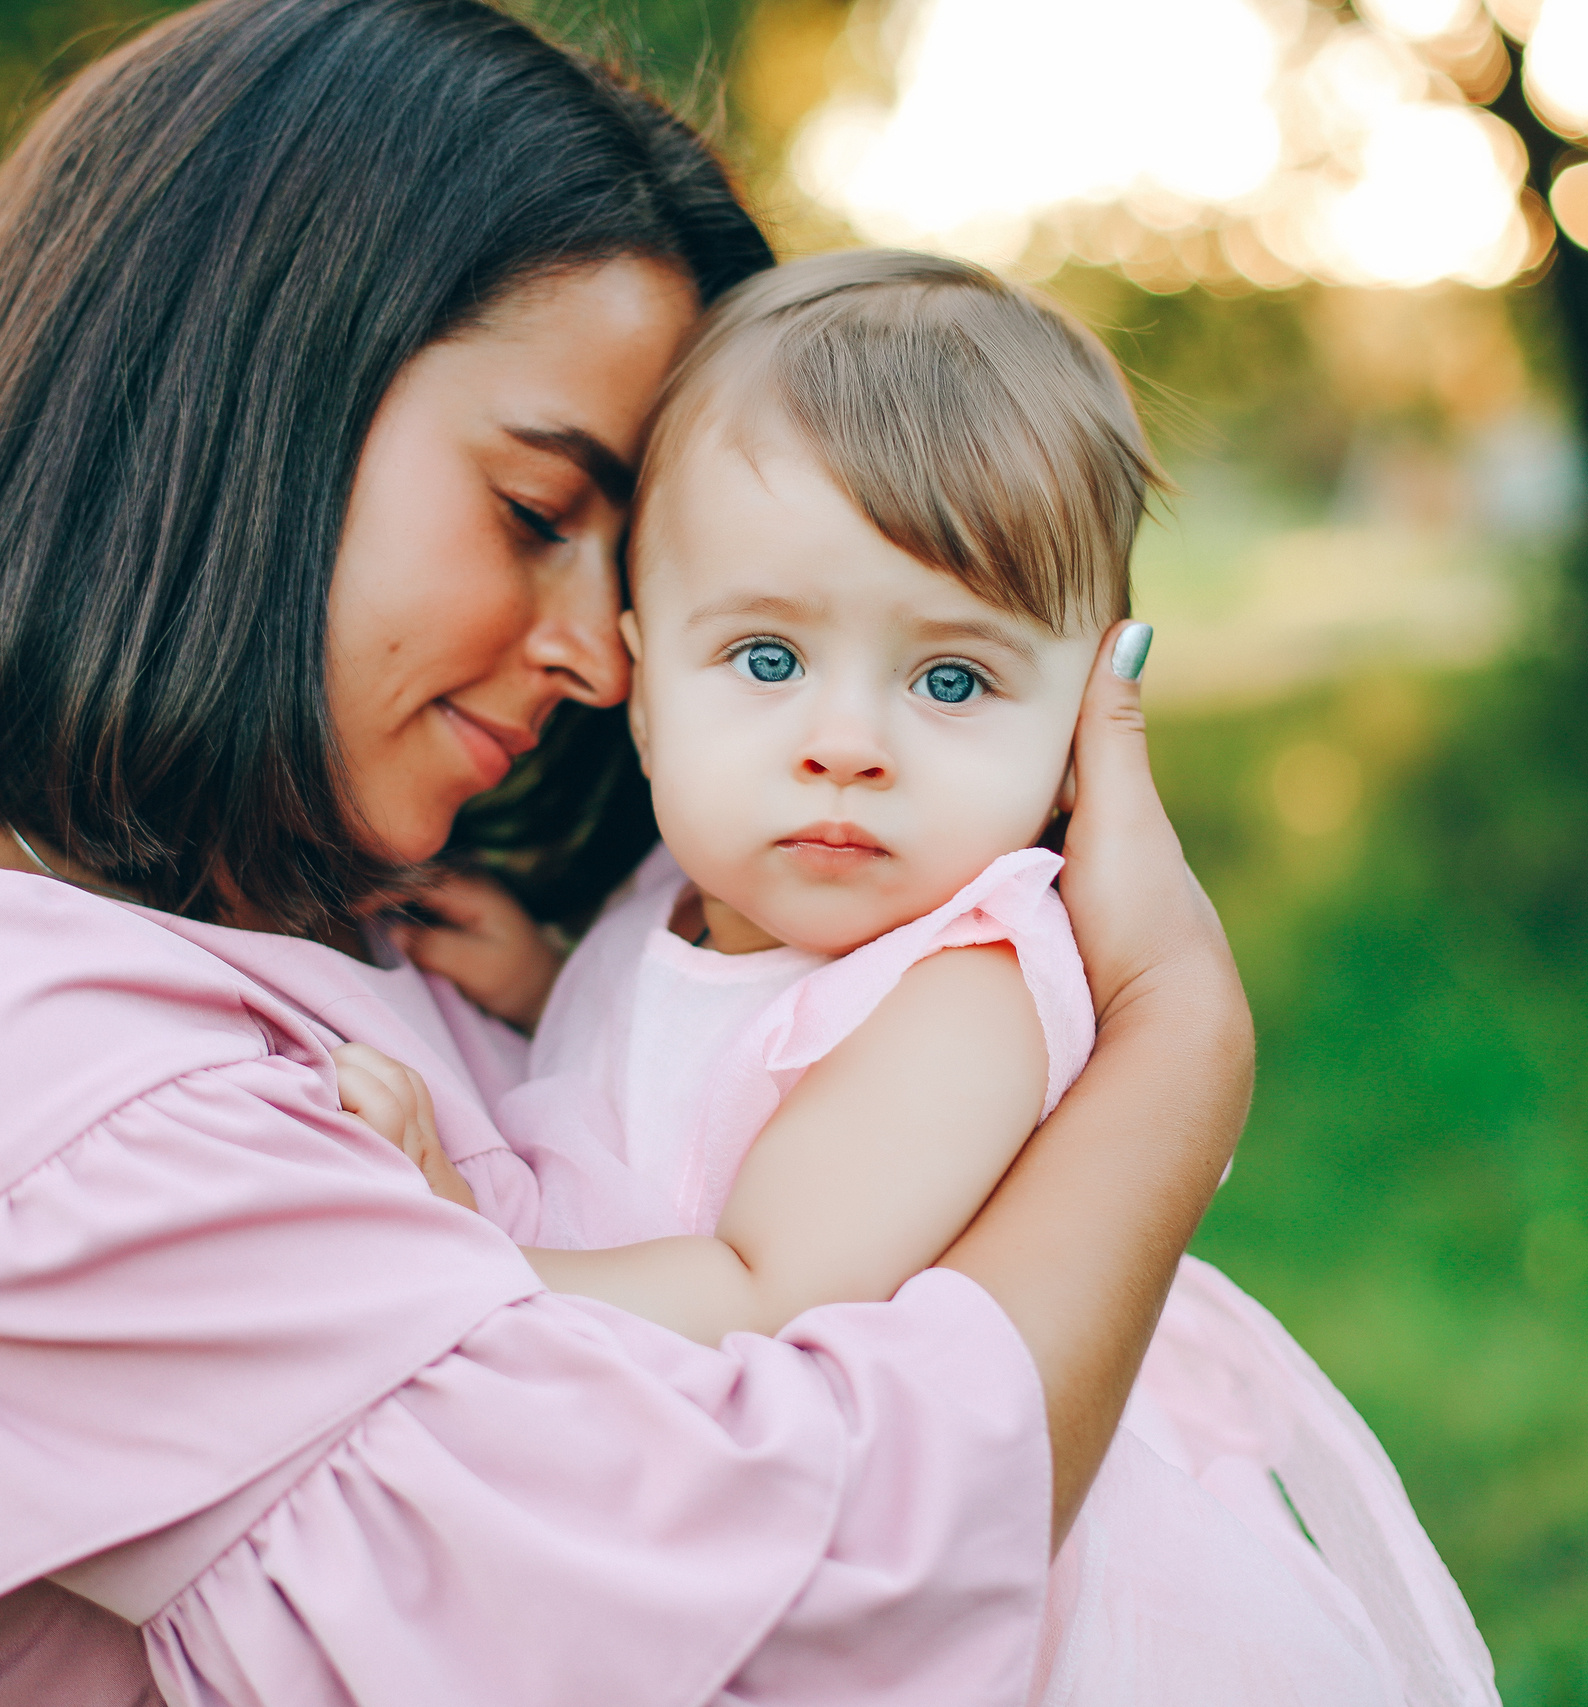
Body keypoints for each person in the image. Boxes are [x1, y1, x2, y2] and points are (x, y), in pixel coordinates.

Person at [0, 4, 1252, 1704]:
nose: (608, 660)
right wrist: (1173, 1038)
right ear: (235, 403)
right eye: (539, 515)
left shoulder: (271, 913)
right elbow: (800, 1597)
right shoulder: (16, 1091)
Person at [350, 251, 1501, 1707]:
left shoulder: (962, 993)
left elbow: (764, 1281)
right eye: (765, 657)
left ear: (1082, 723)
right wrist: (548, 986)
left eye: (951, 681)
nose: (846, 740)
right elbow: (680, 1072)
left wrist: (475, 1258)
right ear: (643, 687)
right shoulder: (690, 897)